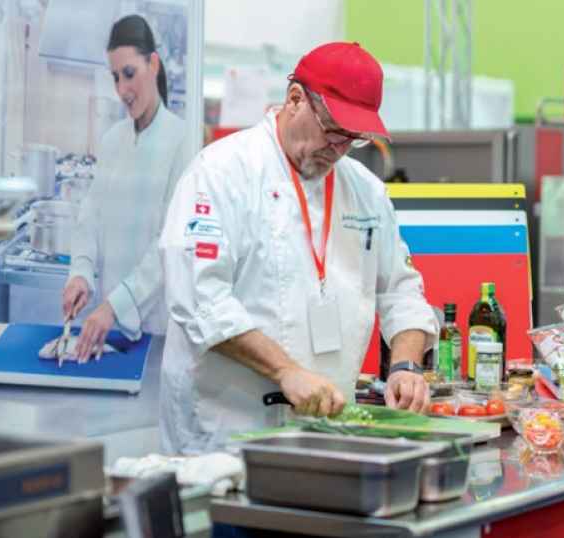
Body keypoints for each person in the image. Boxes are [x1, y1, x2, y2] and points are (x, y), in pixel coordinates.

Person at [157, 42, 437, 454]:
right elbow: (201, 299)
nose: (338, 148)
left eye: (352, 138)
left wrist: (406, 367)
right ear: (295, 99)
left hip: (327, 427)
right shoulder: (220, 173)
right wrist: (285, 370)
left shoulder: (365, 191)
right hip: (224, 430)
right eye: (332, 130)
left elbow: (401, 290)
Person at [61, 14, 191, 362]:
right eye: (116, 77)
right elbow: (90, 217)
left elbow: (169, 243)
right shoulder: (112, 141)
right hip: (108, 329)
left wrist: (115, 305)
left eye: (129, 73)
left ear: (153, 64)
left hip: (157, 330)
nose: (121, 89)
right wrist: (80, 273)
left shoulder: (182, 142)